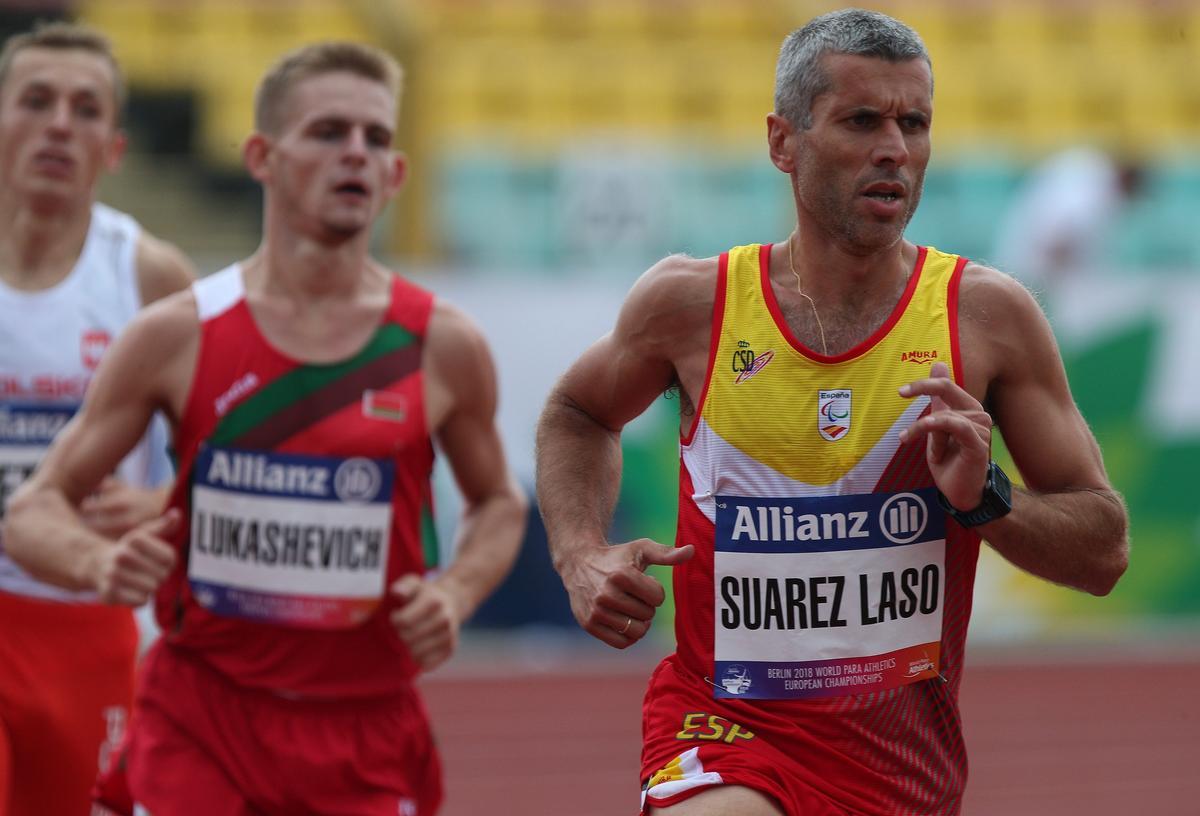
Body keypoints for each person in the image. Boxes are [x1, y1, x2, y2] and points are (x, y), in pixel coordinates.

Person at [535, 9, 1129, 816]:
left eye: (914, 123)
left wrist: (985, 495)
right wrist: (578, 553)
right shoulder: (693, 304)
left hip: (899, 769)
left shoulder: (984, 318)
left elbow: (1103, 550)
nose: (895, 149)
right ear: (784, 142)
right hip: (724, 727)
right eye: (861, 121)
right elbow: (578, 409)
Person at [5, 40, 526, 815]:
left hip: (365, 725)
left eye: (375, 139)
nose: (354, 153)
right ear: (261, 156)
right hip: (201, 716)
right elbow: (34, 508)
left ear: (395, 176)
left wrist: (454, 593)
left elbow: (498, 502)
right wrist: (96, 562)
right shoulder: (177, 333)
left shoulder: (441, 345)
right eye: (327, 132)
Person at [0, 22, 194, 816]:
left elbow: (227, 450)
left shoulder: (147, 275)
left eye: (85, 109)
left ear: (113, 149)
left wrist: (161, 504)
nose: (58, 125)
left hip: (89, 619)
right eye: (36, 101)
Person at [991, 145, 1144, 297]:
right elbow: (1057, 238)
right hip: (1033, 267)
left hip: (1023, 249)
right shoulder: (1093, 192)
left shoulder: (1086, 163)